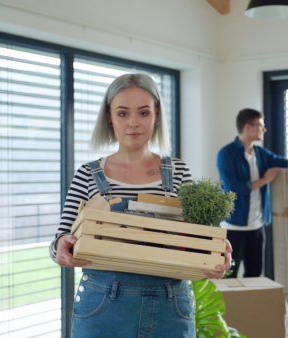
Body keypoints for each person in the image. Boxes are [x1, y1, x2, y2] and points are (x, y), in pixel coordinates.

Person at [49, 73, 232, 337]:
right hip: (102, 305)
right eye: (123, 113)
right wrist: (61, 247)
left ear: (156, 115)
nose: (134, 123)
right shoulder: (87, 174)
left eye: (143, 113)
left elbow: (201, 237)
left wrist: (217, 253)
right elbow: (60, 238)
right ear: (109, 117)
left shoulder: (178, 172)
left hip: (171, 305)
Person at [217, 108, 288, 278]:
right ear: (248, 126)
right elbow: (233, 187)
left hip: (257, 226)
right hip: (233, 226)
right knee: (228, 275)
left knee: (255, 275)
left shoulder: (261, 153)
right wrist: (265, 180)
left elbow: (284, 161)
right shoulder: (226, 154)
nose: (264, 129)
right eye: (261, 125)